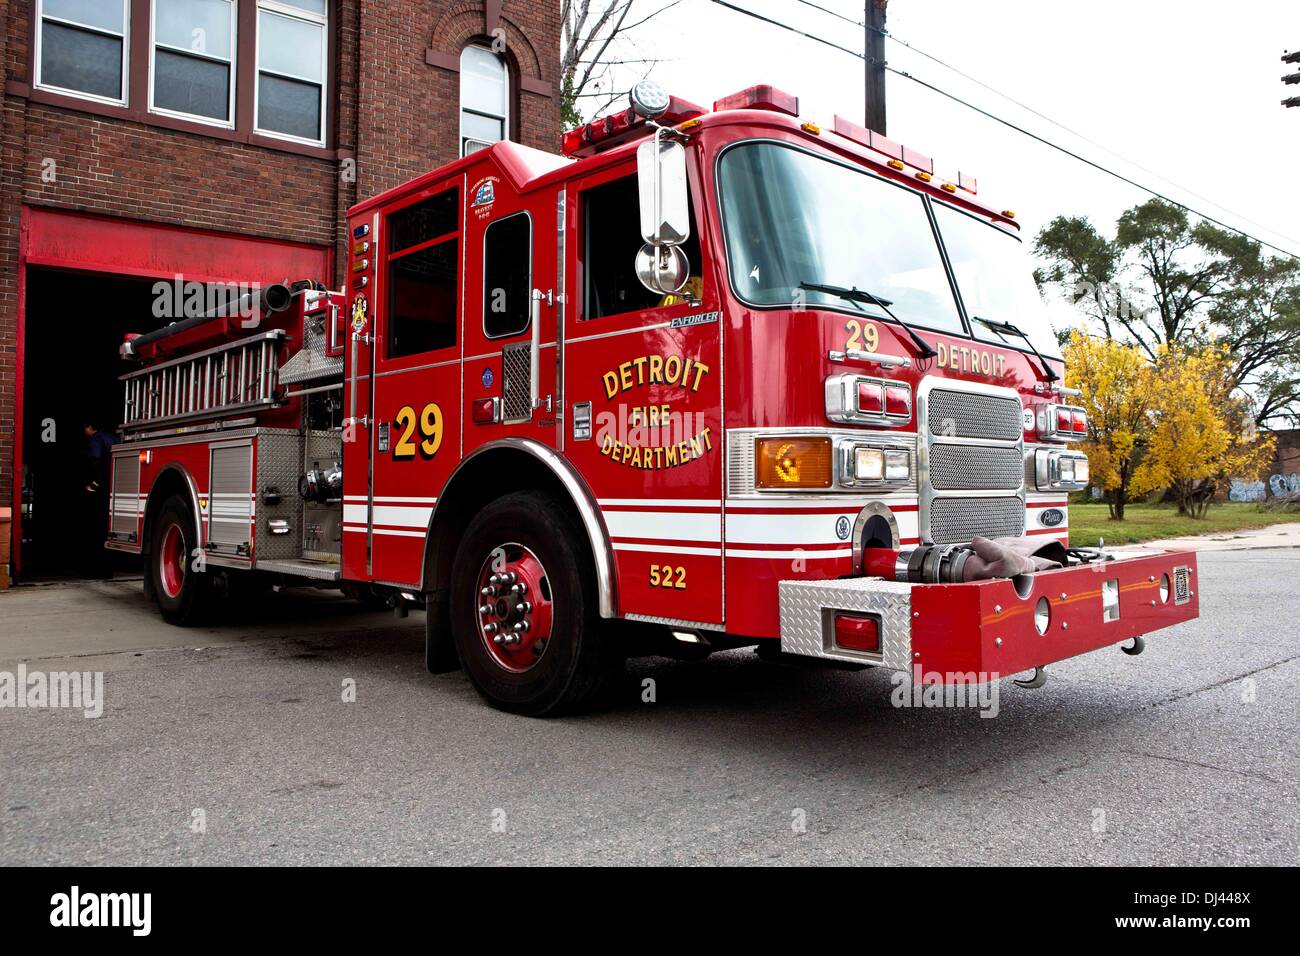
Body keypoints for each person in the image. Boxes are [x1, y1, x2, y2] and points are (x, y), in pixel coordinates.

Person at [82, 421, 116, 578]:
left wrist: (93, 483)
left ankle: (96, 570)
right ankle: (109, 569)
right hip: (115, 488)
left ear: (89, 427)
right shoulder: (114, 438)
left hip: (100, 490)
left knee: (96, 529)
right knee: (109, 528)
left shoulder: (96, 439)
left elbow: (95, 461)